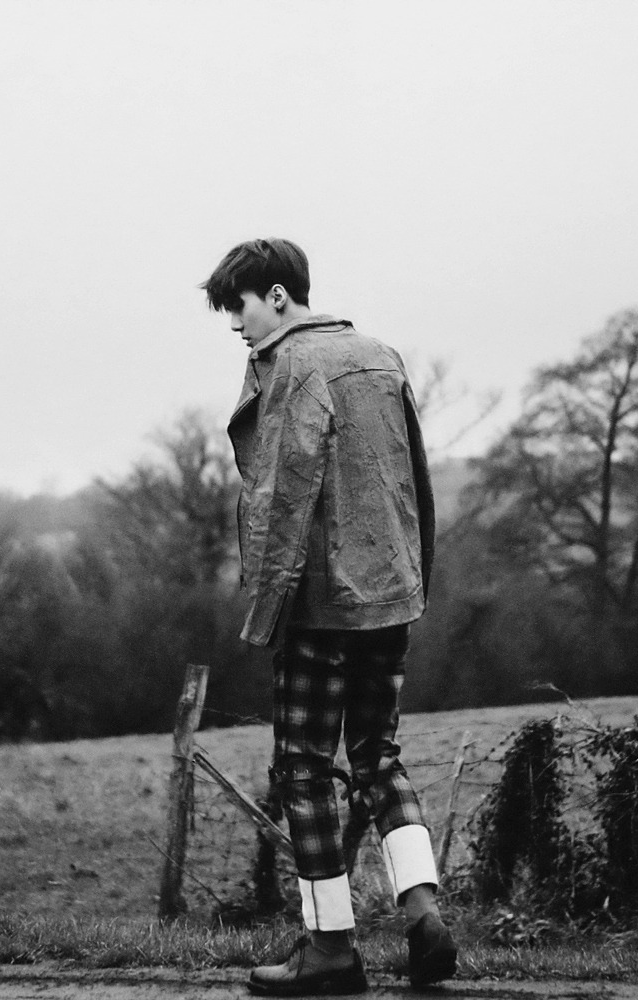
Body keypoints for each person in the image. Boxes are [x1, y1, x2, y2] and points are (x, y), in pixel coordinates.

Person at [201, 238, 457, 996]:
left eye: (240, 306)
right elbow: (416, 479)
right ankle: (423, 913)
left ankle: (330, 948)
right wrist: (414, 578)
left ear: (278, 296)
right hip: (391, 594)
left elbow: (280, 494)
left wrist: (267, 610)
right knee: (379, 757)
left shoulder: (290, 366)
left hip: (319, 601)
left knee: (304, 769)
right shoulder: (382, 356)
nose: (236, 325)